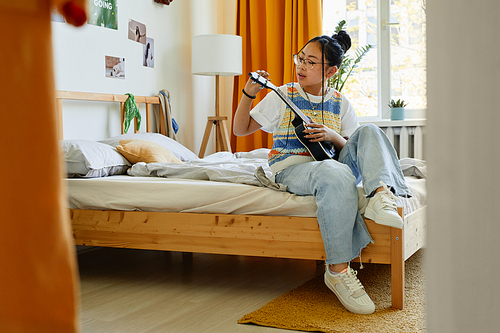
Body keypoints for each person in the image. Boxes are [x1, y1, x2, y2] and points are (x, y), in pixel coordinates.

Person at [233, 31, 412, 315]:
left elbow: (355, 148)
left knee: (370, 131)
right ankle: (339, 271)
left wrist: (332, 135)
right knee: (334, 172)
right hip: (292, 169)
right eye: (300, 59)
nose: (301, 66)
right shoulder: (284, 94)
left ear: (331, 70)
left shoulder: (341, 103)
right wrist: (248, 94)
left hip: (334, 165)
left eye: (311, 62)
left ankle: (380, 196)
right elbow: (240, 130)